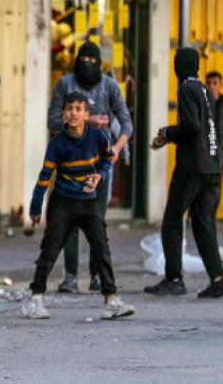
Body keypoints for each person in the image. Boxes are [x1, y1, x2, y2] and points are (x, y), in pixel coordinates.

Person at [21, 92, 135, 320]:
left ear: (86, 114)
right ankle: (34, 299)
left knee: (101, 247)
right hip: (63, 202)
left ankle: (110, 300)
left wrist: (100, 177)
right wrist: (35, 209)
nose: (74, 113)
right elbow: (45, 177)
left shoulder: (98, 136)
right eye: (69, 108)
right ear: (63, 114)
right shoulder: (57, 143)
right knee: (50, 250)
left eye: (78, 108)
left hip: (88, 202)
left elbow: (107, 159)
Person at [145, 48, 223, 299]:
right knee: (204, 224)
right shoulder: (206, 90)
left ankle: (174, 279)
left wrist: (167, 132)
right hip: (213, 166)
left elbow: (192, 125)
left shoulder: (185, 89)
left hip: (192, 166)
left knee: (172, 219)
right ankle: (219, 279)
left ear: (178, 68)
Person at [47, 41, 132, 294]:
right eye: (83, 60)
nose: (87, 66)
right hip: (70, 162)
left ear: (100, 63)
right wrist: (85, 120)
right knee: (69, 220)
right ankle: (71, 275)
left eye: (92, 62)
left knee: (97, 220)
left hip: (99, 162)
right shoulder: (65, 84)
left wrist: (116, 149)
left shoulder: (110, 86)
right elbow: (52, 120)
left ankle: (97, 275)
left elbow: (126, 122)